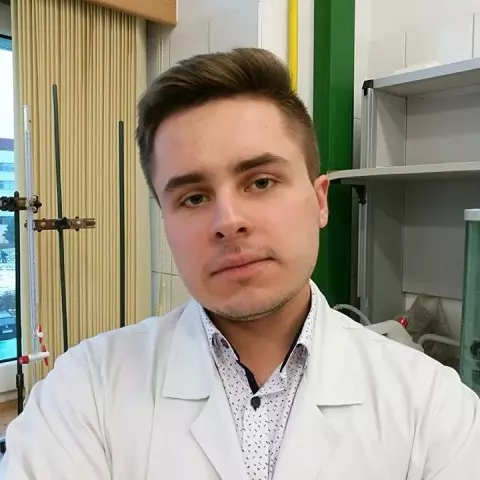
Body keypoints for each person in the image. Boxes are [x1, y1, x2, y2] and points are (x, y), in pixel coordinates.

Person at [1, 48, 479, 480]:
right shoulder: (85, 391)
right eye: (193, 197)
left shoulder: (431, 405)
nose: (228, 221)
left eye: (261, 182)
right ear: (165, 222)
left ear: (320, 201)